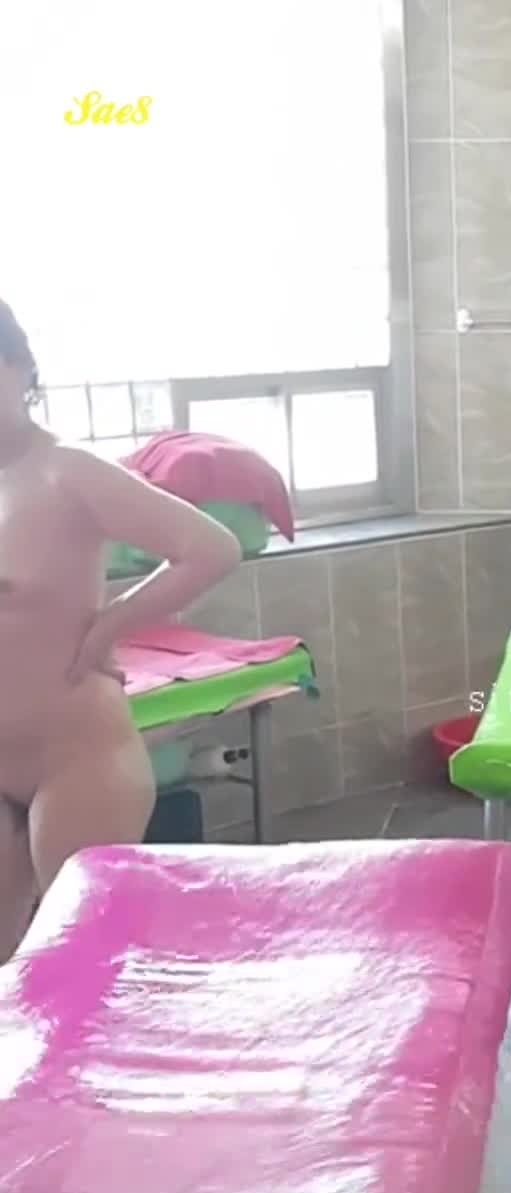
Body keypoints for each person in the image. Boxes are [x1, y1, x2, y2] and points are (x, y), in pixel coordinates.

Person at [0, 299, 240, 960]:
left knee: (80, 961)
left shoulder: (66, 472)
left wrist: (111, 625)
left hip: (75, 759)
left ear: (22, 370)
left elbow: (211, 548)